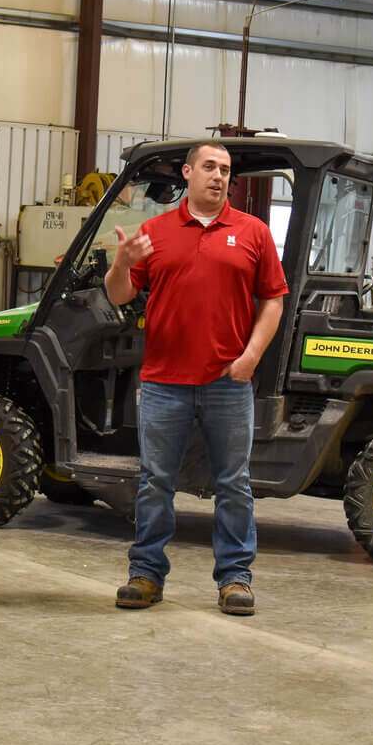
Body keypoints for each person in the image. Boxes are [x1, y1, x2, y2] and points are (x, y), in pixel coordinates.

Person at [105, 141, 288, 616]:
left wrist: (251, 356)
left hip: (229, 383)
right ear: (187, 173)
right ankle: (145, 574)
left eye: (225, 170)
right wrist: (122, 262)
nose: (219, 176)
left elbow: (273, 300)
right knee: (154, 483)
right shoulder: (156, 231)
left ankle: (235, 579)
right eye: (209, 167)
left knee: (234, 484)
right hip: (164, 382)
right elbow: (121, 295)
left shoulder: (253, 233)